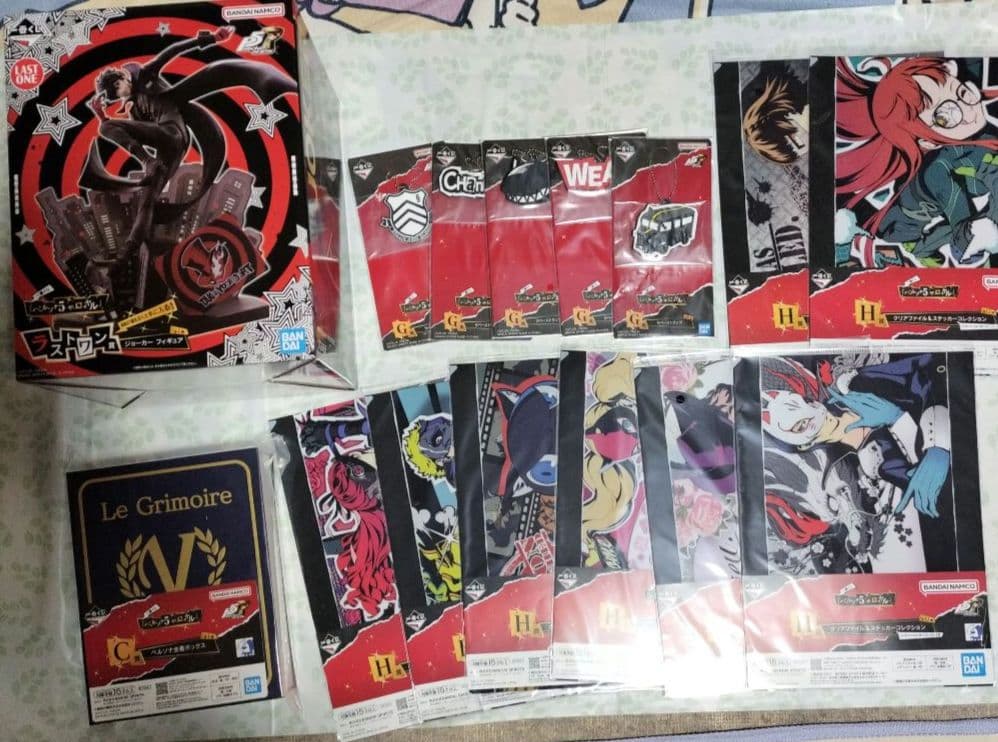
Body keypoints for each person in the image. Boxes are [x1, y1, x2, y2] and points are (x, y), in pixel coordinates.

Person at [835, 57, 998, 266]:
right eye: (944, 118)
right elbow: (962, 223)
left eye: (963, 93)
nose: (968, 111)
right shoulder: (936, 169)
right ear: (926, 142)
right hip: (901, 229)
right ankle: (848, 240)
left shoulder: (978, 143)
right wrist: (973, 236)